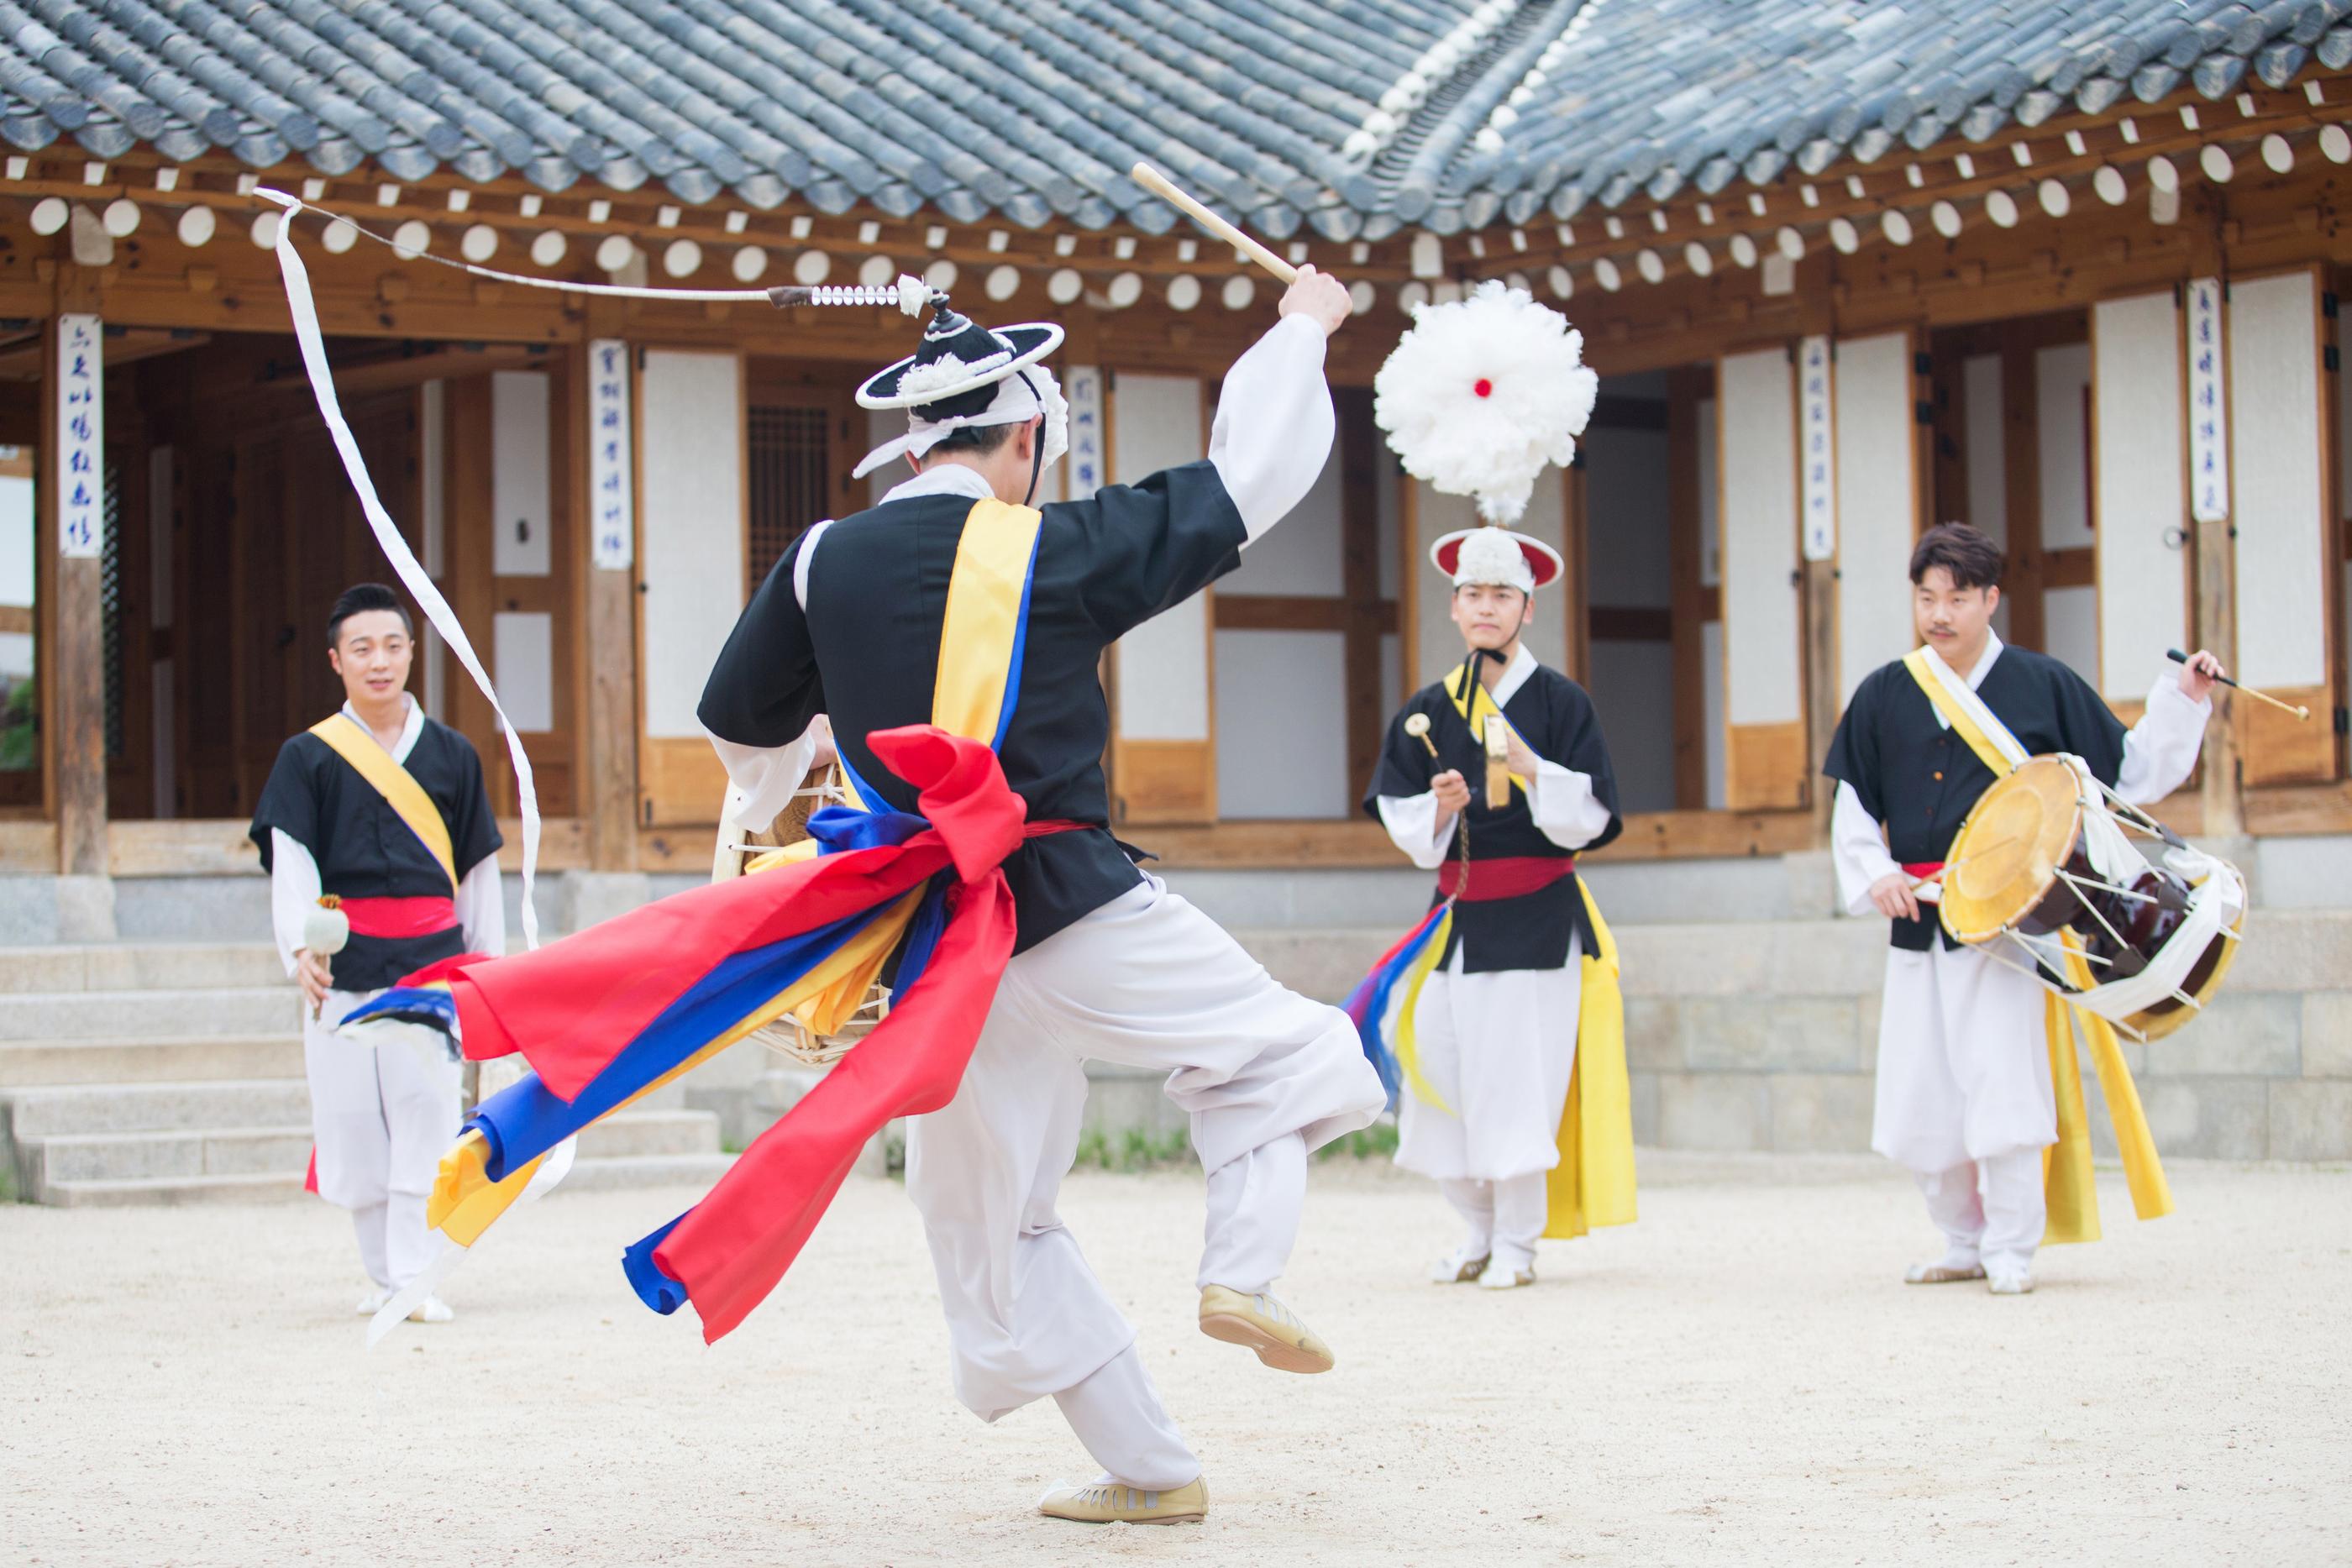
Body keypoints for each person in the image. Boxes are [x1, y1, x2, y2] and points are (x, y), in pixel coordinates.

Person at [677, 266, 1384, 1525]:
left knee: (993, 1213)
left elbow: (742, 729)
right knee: (1292, 1054)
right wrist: (1300, 328)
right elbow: (1247, 482)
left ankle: (1154, 1468)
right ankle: (1240, 1270)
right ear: (1021, 438)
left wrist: (825, 771)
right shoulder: (1054, 546)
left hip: (934, 946)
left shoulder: (819, 559)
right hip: (1074, 899)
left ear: (916, 440)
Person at [1824, 522, 2221, 1296]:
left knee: (2000, 1079)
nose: (1939, 614)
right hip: (1919, 917)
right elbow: (1854, 805)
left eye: (1958, 598)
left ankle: (2011, 1243)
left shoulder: (2044, 685)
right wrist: (1873, 874)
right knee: (1920, 1085)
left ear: (1991, 599)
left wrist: (2184, 699)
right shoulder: (1884, 692)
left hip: (2010, 923)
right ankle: (1958, 1239)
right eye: (1927, 597)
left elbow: (2130, 774)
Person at [1360, 526, 1635, 1290]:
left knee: (1518, 1083)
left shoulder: (1561, 702)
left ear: (1528, 607)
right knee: (1438, 1075)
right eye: (1474, 594)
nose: (1486, 608)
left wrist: (1532, 766)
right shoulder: (1430, 707)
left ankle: (1518, 1240)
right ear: (1453, 607)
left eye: (1502, 595)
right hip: (1454, 920)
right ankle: (1476, 1230)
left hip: (1538, 917)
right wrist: (1440, 808)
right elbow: (1402, 816)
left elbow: (1597, 814)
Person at [249, 583, 503, 1324]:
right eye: (362, 648)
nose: (380, 660)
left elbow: (478, 871)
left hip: (432, 963)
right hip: (346, 963)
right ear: (336, 660)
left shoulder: (454, 755)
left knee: (426, 1111)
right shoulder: (307, 758)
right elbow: (292, 861)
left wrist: (486, 969)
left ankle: (415, 1276)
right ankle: (383, 1272)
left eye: (393, 645)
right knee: (353, 1122)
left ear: (412, 653)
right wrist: (300, 946)